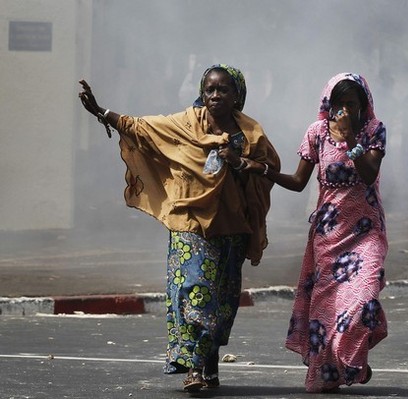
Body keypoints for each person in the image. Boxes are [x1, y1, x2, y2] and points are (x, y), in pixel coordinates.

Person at [78, 64, 280, 393]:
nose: (215, 95)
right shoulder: (184, 124)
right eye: (210, 89)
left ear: (237, 95)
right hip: (189, 224)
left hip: (231, 229)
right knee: (194, 292)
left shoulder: (251, 134)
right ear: (202, 93)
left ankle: (209, 361)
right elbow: (139, 127)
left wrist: (239, 163)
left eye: (223, 90)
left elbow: (266, 173)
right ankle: (195, 369)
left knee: (221, 301)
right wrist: (101, 111)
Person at [247, 73, 388, 393]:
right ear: (328, 105)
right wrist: (264, 171)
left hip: (366, 232)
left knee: (361, 301)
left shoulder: (373, 131)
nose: (345, 111)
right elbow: (299, 182)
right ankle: (334, 371)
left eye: (351, 105)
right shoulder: (317, 133)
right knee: (325, 315)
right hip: (329, 235)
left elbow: (369, 174)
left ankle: (351, 361)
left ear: (363, 106)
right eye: (339, 105)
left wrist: (352, 140)